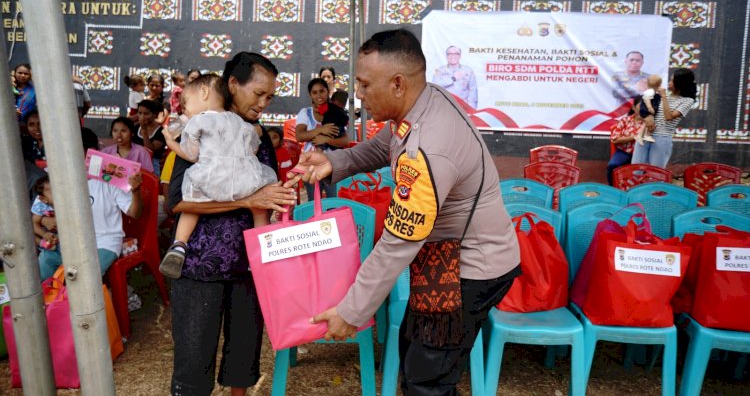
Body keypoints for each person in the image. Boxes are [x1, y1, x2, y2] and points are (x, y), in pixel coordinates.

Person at [288, 29, 521, 395]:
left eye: (365, 85)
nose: (359, 95)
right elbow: (383, 146)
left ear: (398, 83)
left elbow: (398, 241)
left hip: (472, 267)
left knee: (427, 380)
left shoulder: (429, 149)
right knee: (416, 357)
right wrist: (333, 163)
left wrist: (352, 311)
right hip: (444, 258)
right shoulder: (423, 101)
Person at [168, 51, 297, 396]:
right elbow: (176, 201)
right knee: (194, 363)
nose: (264, 104)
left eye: (270, 96)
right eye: (259, 94)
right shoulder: (202, 127)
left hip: (249, 267)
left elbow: (268, 191)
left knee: (243, 355)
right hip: (198, 268)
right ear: (233, 84)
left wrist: (283, 196)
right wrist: (245, 201)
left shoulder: (258, 137)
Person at [159, 74, 277, 279]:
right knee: (259, 210)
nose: (184, 110)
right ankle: (258, 257)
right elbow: (253, 147)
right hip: (244, 182)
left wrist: (170, 142)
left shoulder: (197, 123)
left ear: (204, 93)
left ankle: (179, 245)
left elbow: (192, 154)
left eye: (185, 103)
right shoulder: (245, 124)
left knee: (191, 202)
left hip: (211, 181)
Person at [37, 136, 144, 280]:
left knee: (83, 279)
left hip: (104, 243)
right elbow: (37, 212)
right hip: (71, 242)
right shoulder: (57, 180)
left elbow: (134, 213)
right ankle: (50, 302)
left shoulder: (109, 180)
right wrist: (44, 219)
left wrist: (136, 192)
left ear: (91, 154)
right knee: (43, 263)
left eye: (74, 154)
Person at [295, 77, 350, 199]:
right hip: (311, 165)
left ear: (328, 91)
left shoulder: (335, 112)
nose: (319, 95)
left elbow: (345, 141)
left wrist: (326, 140)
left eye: (322, 91)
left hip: (332, 165)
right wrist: (321, 130)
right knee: (313, 201)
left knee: (333, 201)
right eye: (314, 92)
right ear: (310, 95)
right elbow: (299, 136)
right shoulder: (306, 113)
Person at [631, 68, 697, 168]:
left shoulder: (687, 101)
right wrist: (647, 118)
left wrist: (664, 97)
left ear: (680, 83)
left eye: (672, 80)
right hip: (644, 135)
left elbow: (669, 116)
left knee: (656, 172)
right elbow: (643, 109)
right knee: (636, 170)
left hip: (662, 138)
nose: (669, 82)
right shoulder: (658, 95)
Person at [606, 97, 644, 185]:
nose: (643, 109)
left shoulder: (648, 122)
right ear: (634, 108)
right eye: (641, 106)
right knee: (612, 165)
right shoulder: (625, 120)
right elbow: (614, 139)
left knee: (645, 170)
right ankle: (613, 188)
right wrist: (634, 137)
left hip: (641, 153)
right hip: (623, 152)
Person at [133, 99, 166, 176]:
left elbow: (150, 150)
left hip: (152, 165)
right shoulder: (136, 128)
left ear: (154, 114)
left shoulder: (161, 131)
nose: (142, 116)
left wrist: (144, 130)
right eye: (140, 113)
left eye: (146, 114)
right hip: (135, 163)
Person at [31, 176, 58, 251]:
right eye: (53, 192)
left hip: (56, 233)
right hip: (44, 233)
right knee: (28, 231)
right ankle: (42, 243)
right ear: (44, 199)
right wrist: (44, 234)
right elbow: (34, 223)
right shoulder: (40, 205)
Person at [634, 74, 662, 145]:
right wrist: (650, 108)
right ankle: (647, 135)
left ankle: (640, 135)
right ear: (658, 85)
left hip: (647, 110)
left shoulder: (654, 92)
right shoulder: (650, 91)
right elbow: (646, 99)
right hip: (646, 110)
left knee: (645, 124)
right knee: (650, 121)